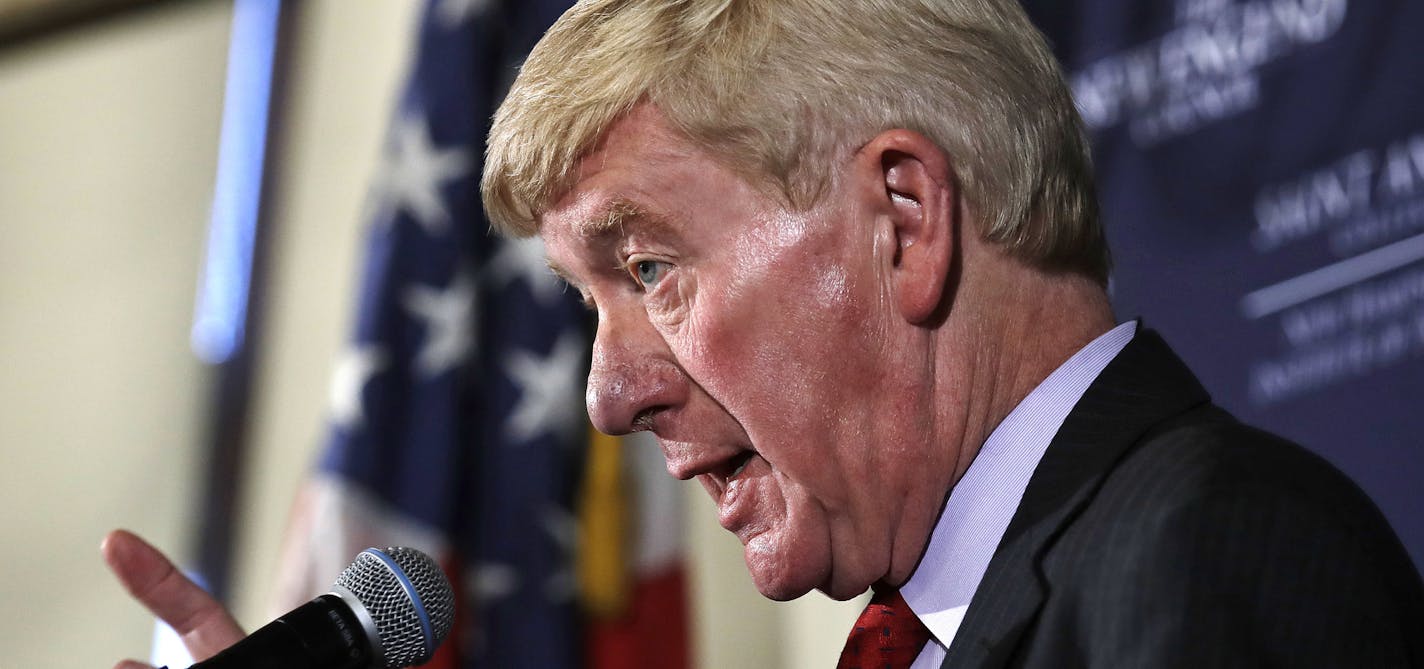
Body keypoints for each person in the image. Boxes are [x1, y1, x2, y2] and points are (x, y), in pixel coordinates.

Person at [107, 0, 1424, 667]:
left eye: (652, 266)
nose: (607, 394)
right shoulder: (967, 614)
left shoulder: (1207, 562)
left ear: (902, 219)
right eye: (589, 301)